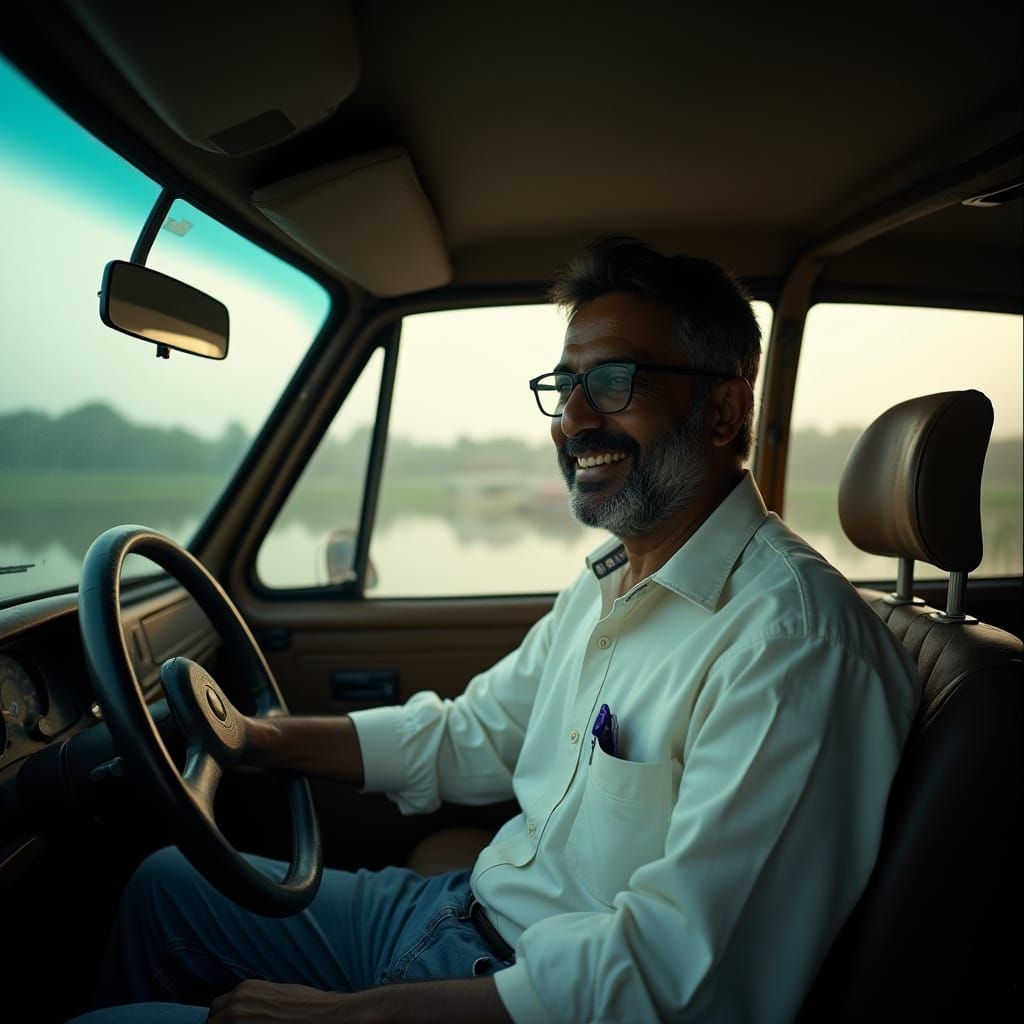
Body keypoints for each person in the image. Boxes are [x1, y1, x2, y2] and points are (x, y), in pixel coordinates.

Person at [70, 237, 919, 1023]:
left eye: (615, 381)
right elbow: (474, 734)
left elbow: (673, 974)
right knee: (164, 888)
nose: (572, 419)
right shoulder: (610, 581)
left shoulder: (793, 645)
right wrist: (261, 738)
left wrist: (346, 1017)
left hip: (522, 994)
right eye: (565, 384)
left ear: (726, 411)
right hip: (455, 915)